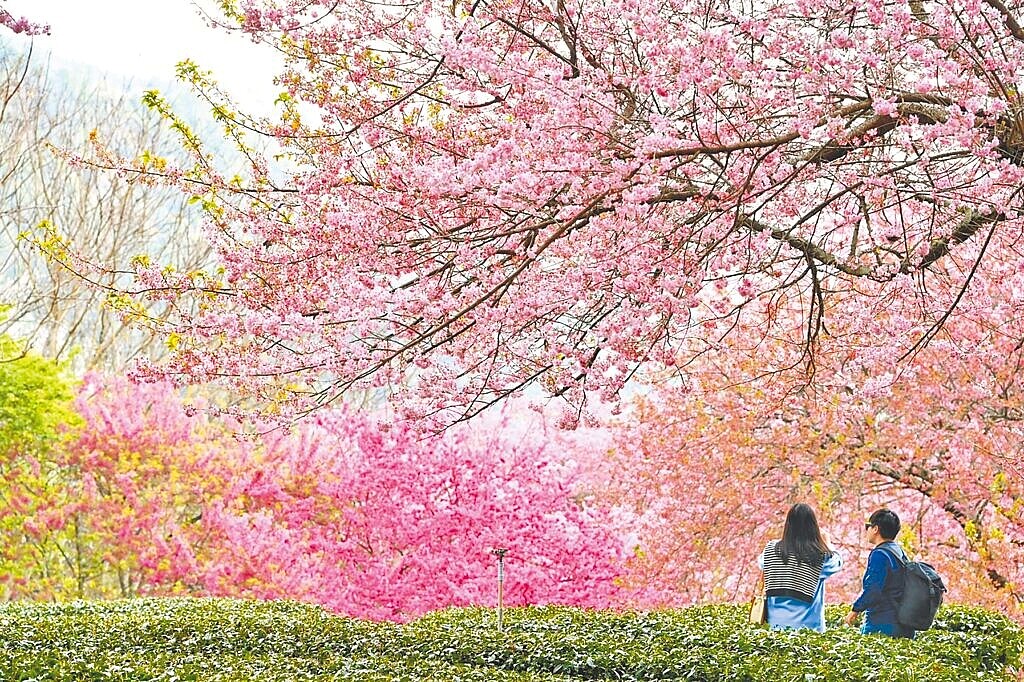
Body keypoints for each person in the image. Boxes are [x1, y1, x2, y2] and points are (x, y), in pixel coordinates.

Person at [758, 503, 843, 632]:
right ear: (813, 527)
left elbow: (761, 563)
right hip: (808, 631)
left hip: (774, 628)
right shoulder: (819, 556)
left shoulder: (771, 549)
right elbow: (837, 562)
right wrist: (827, 544)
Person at [843, 508, 915, 639]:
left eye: (868, 526)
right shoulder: (899, 552)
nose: (867, 530)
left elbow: (874, 589)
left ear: (875, 529)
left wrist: (855, 610)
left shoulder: (879, 554)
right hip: (903, 621)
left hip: (882, 623)